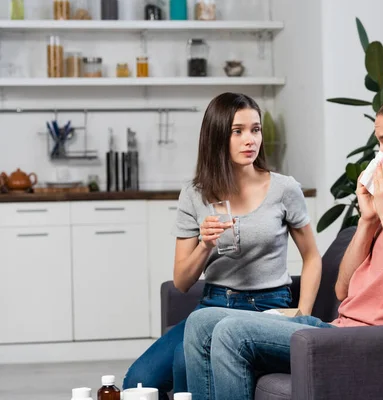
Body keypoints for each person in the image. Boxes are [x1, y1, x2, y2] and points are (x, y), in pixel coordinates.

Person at [182, 89, 383, 399]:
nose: (381, 156)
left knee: (231, 332)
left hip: (379, 344)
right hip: (339, 330)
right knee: (201, 322)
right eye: (379, 143)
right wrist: (369, 221)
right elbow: (343, 290)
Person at [123, 92, 322, 399]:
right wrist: (205, 244)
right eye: (237, 131)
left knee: (182, 362)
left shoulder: (284, 188)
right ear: (217, 137)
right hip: (213, 304)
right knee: (138, 381)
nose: (250, 140)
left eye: (255, 130)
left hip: (268, 308)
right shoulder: (194, 194)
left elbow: (311, 256)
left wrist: (303, 313)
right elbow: (181, 280)